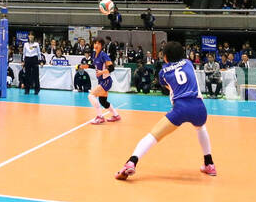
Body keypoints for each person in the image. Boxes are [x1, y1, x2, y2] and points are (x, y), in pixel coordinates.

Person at [116, 40, 215, 180]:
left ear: (165, 57)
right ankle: (209, 164)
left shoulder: (163, 73)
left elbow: (168, 86)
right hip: (199, 107)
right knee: (201, 128)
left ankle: (131, 162)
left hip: (180, 108)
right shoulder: (188, 63)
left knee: (153, 136)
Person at [84, 37, 122, 124]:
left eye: (98, 44)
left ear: (102, 46)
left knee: (91, 95)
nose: (96, 45)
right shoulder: (94, 54)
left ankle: (100, 117)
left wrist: (102, 72)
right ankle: (116, 115)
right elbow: (94, 66)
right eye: (95, 43)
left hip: (106, 81)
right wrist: (84, 66)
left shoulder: (103, 55)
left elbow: (112, 68)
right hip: (101, 81)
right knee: (103, 101)